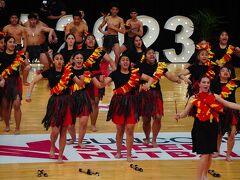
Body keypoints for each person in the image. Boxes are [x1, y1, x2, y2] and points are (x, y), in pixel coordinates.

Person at [175, 75, 240, 180]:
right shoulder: (194, 97)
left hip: (212, 127)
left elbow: (228, 104)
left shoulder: (215, 96)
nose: (206, 84)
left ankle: (205, 175)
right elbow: (185, 112)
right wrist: (179, 115)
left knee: (209, 154)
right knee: (204, 154)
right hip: (200, 127)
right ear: (199, 84)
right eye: (204, 82)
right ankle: (198, 178)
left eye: (208, 83)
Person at [26, 52, 83, 163]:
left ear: (63, 61)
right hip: (55, 103)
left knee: (63, 131)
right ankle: (52, 146)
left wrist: (82, 78)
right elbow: (32, 82)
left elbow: (80, 84)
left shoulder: (69, 73)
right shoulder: (49, 72)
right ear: (54, 61)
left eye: (61, 59)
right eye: (57, 59)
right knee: (55, 131)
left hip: (67, 102)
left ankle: (60, 156)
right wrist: (28, 96)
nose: (59, 61)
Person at [101, 55, 153, 162]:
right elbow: (103, 84)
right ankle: (119, 152)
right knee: (120, 129)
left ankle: (129, 154)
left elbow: (150, 78)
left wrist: (148, 85)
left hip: (132, 103)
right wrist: (101, 79)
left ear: (129, 63)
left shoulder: (135, 74)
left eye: (127, 60)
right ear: (119, 63)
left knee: (130, 129)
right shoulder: (115, 74)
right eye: (123, 60)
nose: (125, 62)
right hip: (119, 103)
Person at [139, 48, 181, 147]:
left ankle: (154, 140)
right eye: (149, 53)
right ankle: (147, 137)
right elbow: (140, 77)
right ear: (145, 56)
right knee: (146, 119)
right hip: (144, 94)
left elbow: (170, 76)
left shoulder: (160, 66)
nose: (152, 55)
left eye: (153, 53)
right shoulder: (140, 66)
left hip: (156, 94)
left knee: (158, 117)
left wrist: (177, 79)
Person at [80, 33, 116, 132]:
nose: (91, 40)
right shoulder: (80, 52)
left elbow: (111, 62)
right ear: (85, 41)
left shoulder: (99, 52)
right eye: (88, 39)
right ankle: (83, 123)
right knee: (84, 102)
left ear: (95, 41)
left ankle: (93, 124)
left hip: (97, 77)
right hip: (85, 78)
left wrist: (112, 75)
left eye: (93, 39)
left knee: (95, 102)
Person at [211, 66, 240, 161]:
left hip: (232, 111)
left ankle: (228, 154)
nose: (225, 72)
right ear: (219, 74)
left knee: (232, 133)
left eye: (228, 71)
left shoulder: (234, 83)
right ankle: (217, 151)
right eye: (223, 71)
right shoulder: (213, 84)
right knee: (218, 133)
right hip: (219, 111)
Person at [0, 36, 28, 134]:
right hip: (5, 82)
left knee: (16, 104)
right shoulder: (1, 55)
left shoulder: (19, 55)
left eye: (13, 42)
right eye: (10, 42)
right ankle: (7, 125)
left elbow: (26, 65)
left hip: (16, 81)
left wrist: (27, 69)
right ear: (6, 43)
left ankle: (17, 128)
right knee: (5, 106)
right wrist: (1, 79)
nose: (12, 44)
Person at [67, 51, 93, 146]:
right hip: (70, 97)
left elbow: (94, 83)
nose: (79, 60)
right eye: (77, 58)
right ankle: (73, 138)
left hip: (83, 97)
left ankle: (80, 142)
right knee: (70, 124)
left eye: (81, 58)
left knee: (83, 122)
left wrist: (102, 82)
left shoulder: (87, 71)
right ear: (73, 60)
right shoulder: (68, 71)